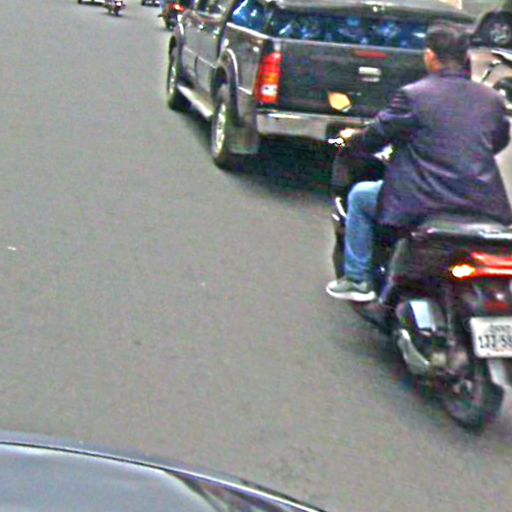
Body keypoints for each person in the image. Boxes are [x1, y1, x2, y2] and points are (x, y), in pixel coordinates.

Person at [326, 21, 512, 302]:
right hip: (481, 201)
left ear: (430, 56)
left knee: (360, 197)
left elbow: (376, 135)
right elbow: (498, 140)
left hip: (421, 201)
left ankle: (357, 279)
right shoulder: (491, 99)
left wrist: (353, 139)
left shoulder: (414, 96)